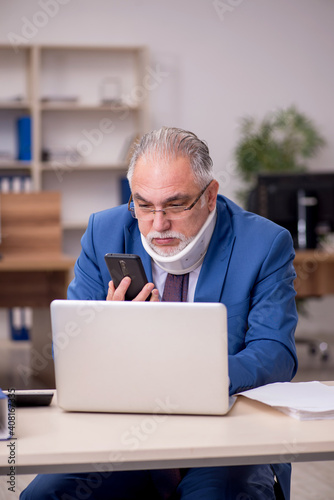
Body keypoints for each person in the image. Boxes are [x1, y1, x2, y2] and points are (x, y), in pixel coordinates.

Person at [21, 127, 298, 500]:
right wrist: (105, 332)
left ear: (210, 195)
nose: (158, 223)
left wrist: (188, 376)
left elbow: (275, 353)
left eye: (176, 204)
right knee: (44, 496)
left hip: (226, 437)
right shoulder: (104, 231)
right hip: (126, 434)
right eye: (144, 205)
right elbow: (65, 351)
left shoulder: (264, 243)